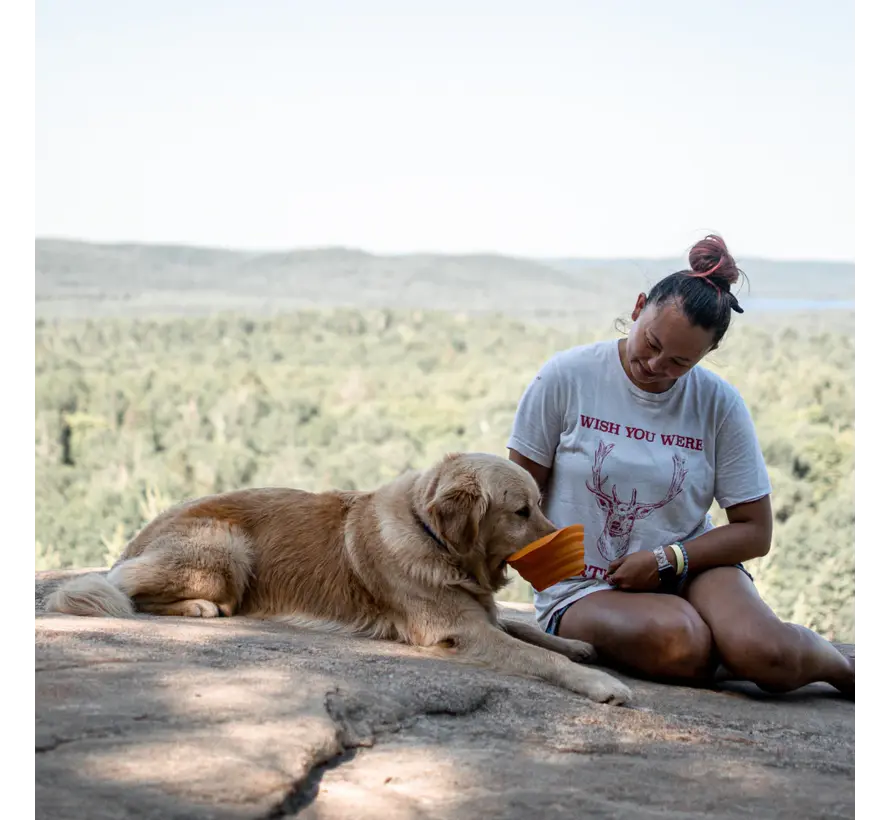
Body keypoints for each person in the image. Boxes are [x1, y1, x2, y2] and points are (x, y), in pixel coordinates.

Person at [506, 234, 855, 698]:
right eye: (651, 343)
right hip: (581, 587)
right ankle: (730, 650)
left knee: (767, 652)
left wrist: (668, 559)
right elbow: (516, 502)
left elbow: (755, 531)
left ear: (706, 355)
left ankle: (841, 668)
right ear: (638, 308)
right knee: (681, 643)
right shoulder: (566, 378)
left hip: (692, 566)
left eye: (679, 362)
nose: (655, 365)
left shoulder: (718, 404)